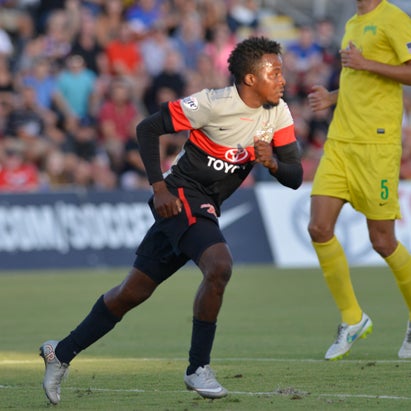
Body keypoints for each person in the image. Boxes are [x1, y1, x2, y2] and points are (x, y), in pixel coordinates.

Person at [39, 36, 303, 405]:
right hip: (180, 196)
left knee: (131, 293)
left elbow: (294, 175)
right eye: (274, 72)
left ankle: (60, 352)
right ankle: (198, 368)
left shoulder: (279, 113)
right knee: (219, 266)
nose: (282, 79)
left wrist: (271, 162)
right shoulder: (213, 102)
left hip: (203, 204)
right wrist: (159, 188)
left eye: (281, 72)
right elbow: (147, 127)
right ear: (249, 79)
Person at [307, 0, 411, 361]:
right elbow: (360, 81)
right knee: (318, 228)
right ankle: (353, 318)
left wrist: (367, 63)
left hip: (376, 146)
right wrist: (332, 97)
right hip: (340, 142)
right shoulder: (352, 22)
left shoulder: (394, 19)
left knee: (382, 241)